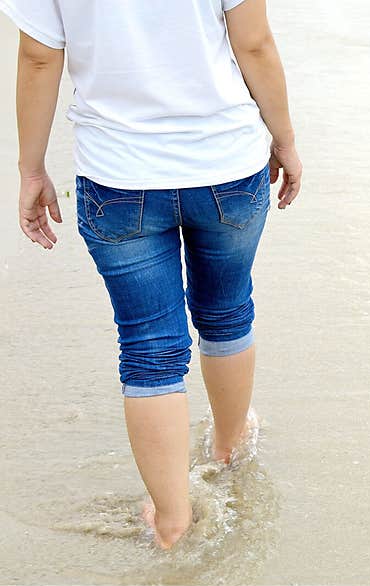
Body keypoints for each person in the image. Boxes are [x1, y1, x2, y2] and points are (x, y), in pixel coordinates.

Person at [0, 0, 303, 549]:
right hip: (225, 164)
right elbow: (253, 43)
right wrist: (283, 138)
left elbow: (39, 58)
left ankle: (172, 520)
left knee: (149, 347)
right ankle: (229, 448)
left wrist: (31, 168)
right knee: (227, 309)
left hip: (119, 174)